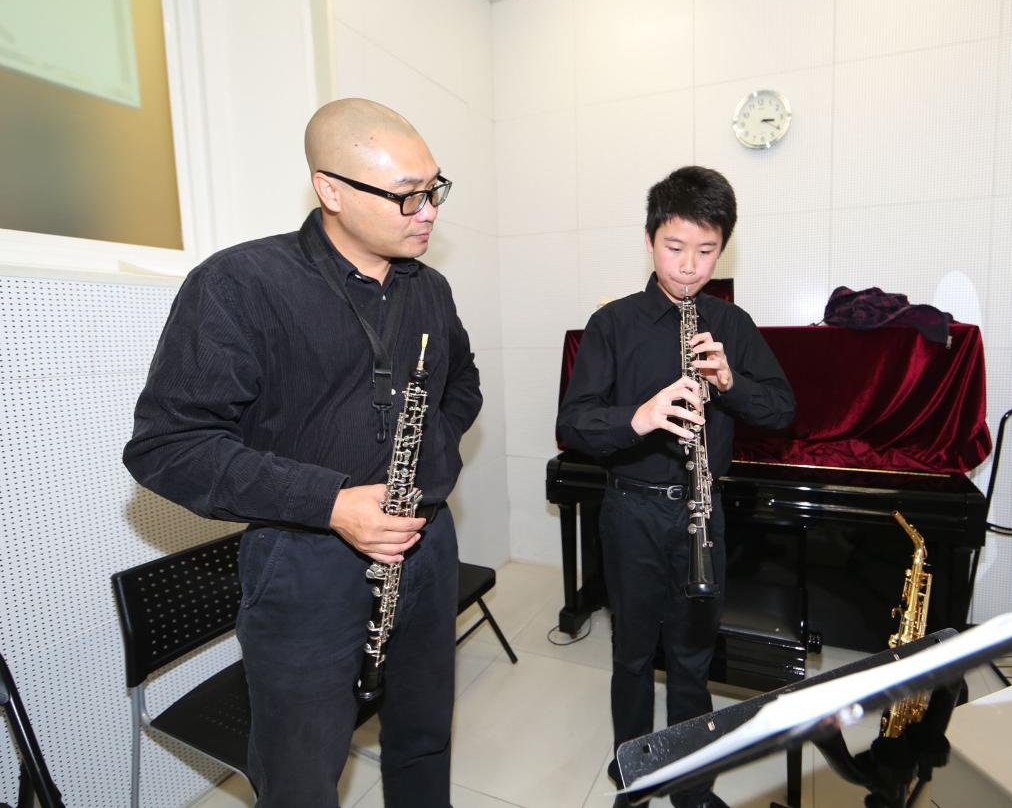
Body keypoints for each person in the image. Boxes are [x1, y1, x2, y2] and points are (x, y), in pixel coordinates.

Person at [123, 98, 481, 808]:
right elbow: (168, 446)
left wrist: (431, 458)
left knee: (423, 737)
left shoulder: (430, 288)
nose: (429, 211)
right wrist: (332, 504)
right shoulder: (241, 284)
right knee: (300, 773)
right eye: (407, 194)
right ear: (331, 190)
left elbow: (461, 383)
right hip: (306, 563)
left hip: (426, 542)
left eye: (434, 188)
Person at [556, 166, 795, 808]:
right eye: (675, 247)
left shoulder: (732, 323)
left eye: (706, 250)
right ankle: (636, 775)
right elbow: (573, 422)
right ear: (649, 240)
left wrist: (729, 384)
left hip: (702, 511)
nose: (689, 266)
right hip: (631, 511)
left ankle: (691, 785)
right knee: (633, 654)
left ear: (723, 249)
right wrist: (639, 418)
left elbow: (781, 410)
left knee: (692, 657)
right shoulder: (612, 323)